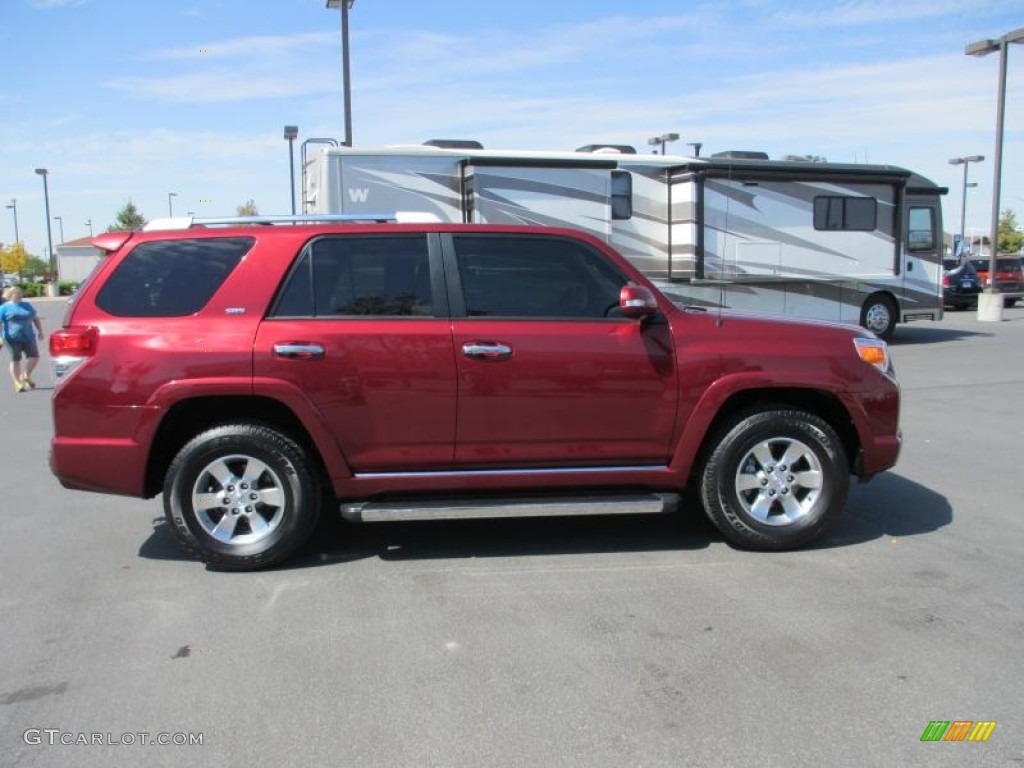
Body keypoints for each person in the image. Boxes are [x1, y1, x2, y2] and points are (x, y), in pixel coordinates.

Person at [0, 286, 44, 392]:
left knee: (34, 357)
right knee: (16, 360)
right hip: (11, 338)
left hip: (28, 336)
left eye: (20, 293)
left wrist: (40, 331)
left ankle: (25, 375)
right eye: (17, 293)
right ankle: (17, 383)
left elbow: (35, 318)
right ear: (10, 295)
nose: (20, 295)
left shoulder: (27, 305)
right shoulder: (4, 308)